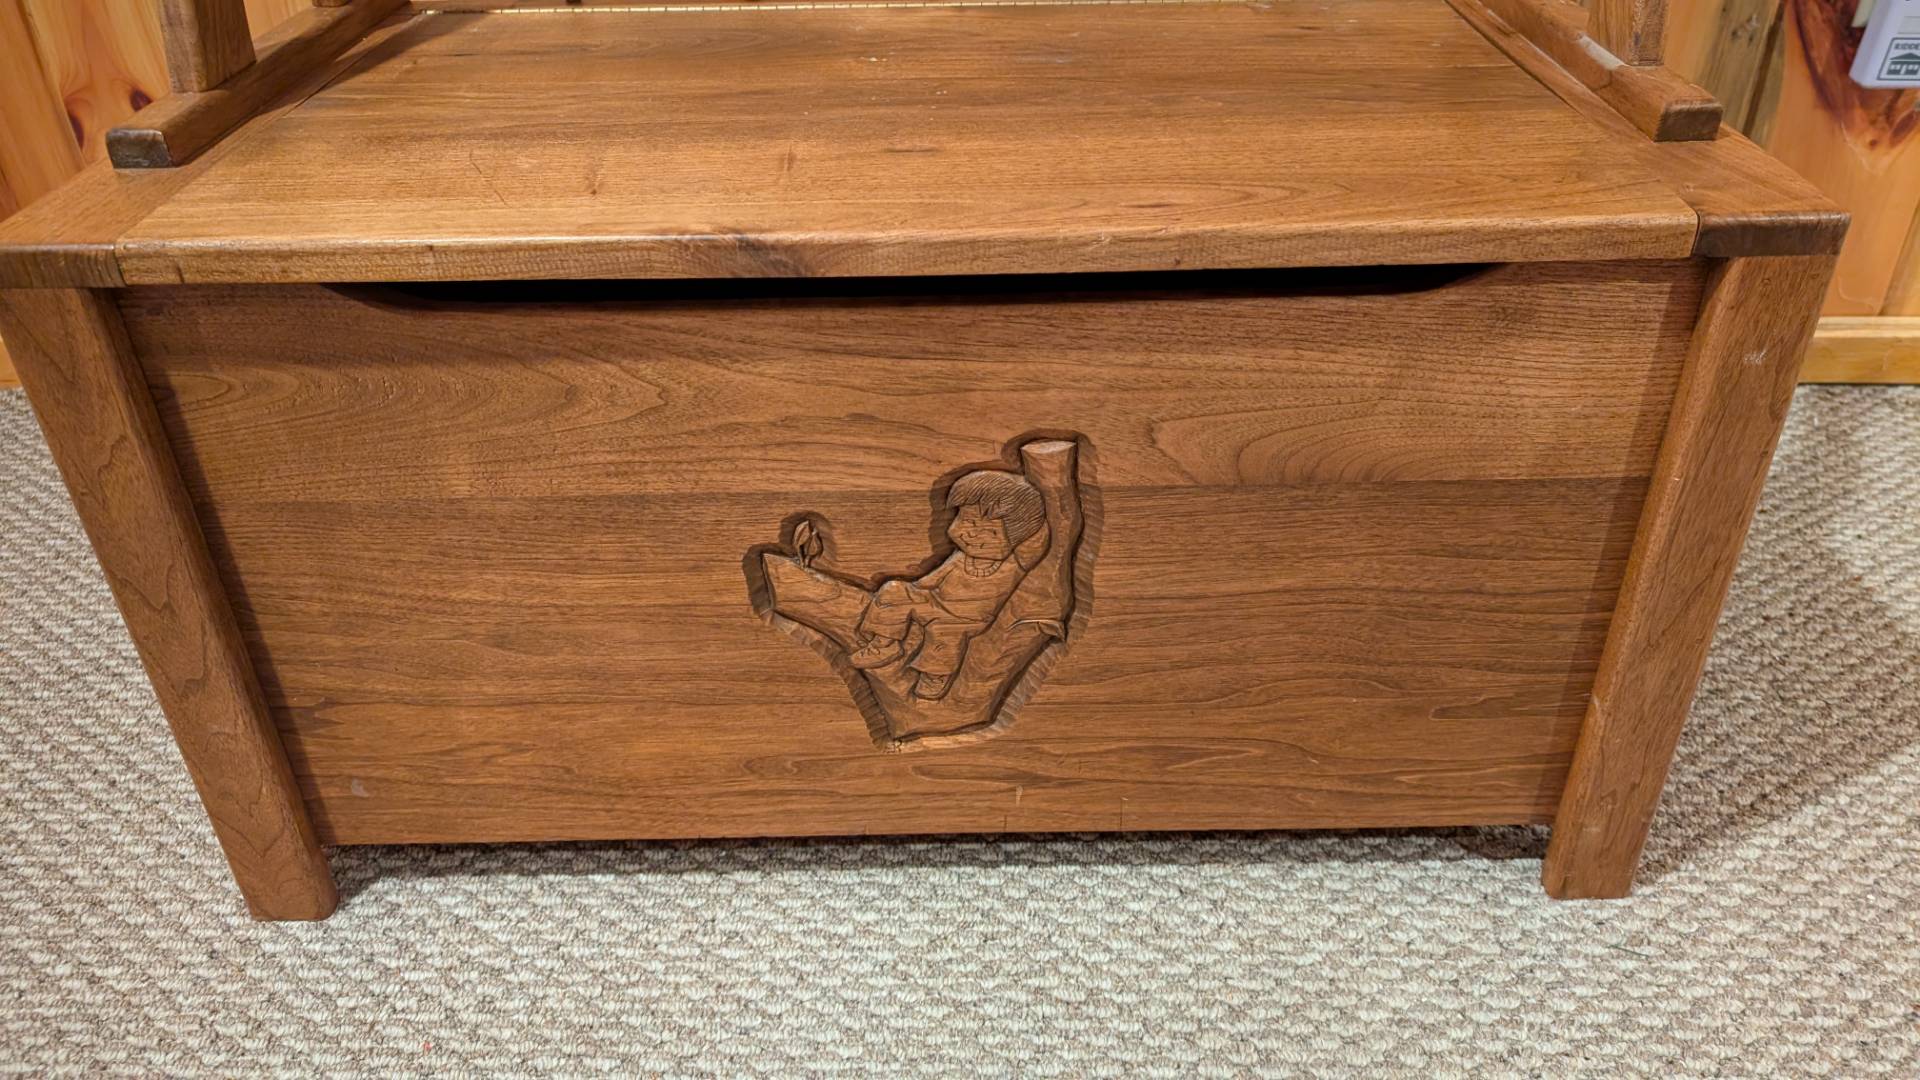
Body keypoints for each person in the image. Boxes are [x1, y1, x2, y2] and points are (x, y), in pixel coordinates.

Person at [845, 469, 1050, 700]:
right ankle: (885, 643)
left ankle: (935, 676)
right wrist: (909, 595)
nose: (972, 535)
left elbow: (1037, 541)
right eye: (968, 521)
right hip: (935, 602)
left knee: (944, 635)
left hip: (965, 619)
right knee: (894, 589)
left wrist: (1028, 509)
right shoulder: (959, 558)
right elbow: (930, 581)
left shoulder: (1015, 564)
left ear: (1016, 540)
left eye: (990, 532)